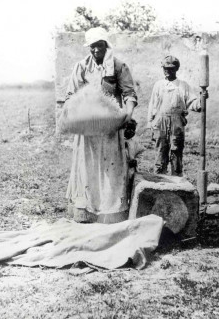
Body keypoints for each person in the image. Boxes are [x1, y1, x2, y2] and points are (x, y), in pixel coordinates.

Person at [64, 27, 137, 223]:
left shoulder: (119, 66)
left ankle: (111, 211)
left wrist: (127, 115)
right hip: (88, 127)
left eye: (100, 46)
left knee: (111, 168)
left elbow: (129, 94)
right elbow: (71, 96)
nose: (96, 50)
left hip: (110, 127)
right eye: (92, 47)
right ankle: (87, 210)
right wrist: (76, 110)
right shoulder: (81, 67)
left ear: (106, 45)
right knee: (87, 167)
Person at [148, 55, 202, 176]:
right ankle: (159, 184)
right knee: (160, 153)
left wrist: (201, 101)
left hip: (177, 124)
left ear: (176, 69)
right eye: (165, 68)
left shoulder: (183, 85)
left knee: (176, 152)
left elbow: (193, 102)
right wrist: (150, 123)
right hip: (160, 122)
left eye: (171, 69)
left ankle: (177, 184)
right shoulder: (158, 85)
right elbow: (152, 105)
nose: (168, 71)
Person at [123, 119, 145, 202]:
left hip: (130, 171)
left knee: (130, 189)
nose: (131, 131)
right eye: (128, 129)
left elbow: (140, 152)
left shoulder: (135, 142)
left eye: (133, 129)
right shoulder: (116, 142)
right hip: (119, 172)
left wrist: (136, 160)